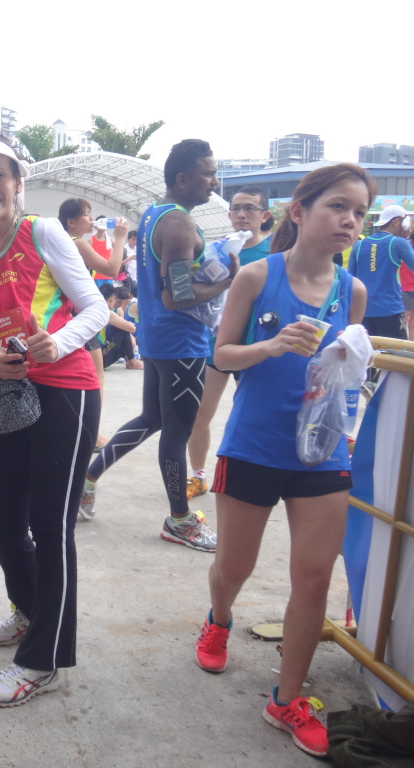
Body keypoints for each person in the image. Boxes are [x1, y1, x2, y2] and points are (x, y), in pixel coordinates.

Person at [195, 163, 372, 758]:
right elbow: (222, 355)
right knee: (234, 566)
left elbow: (348, 366)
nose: (350, 220)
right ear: (299, 211)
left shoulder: (353, 291)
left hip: (322, 452)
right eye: (338, 206)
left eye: (358, 212)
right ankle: (219, 618)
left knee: (315, 576)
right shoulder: (256, 276)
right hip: (254, 446)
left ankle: (286, 698)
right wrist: (271, 345)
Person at [0, 134, 108, 707]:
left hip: (65, 390)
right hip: (7, 396)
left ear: (17, 182)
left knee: (50, 525)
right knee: (1, 520)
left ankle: (43, 660)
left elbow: (96, 308)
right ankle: (33, 611)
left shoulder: (43, 232)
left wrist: (55, 343)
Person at [79, 139, 235, 552]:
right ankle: (179, 520)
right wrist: (226, 281)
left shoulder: (154, 212)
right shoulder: (179, 224)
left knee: (152, 418)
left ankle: (87, 480)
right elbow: (177, 296)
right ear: (183, 178)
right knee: (176, 432)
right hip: (181, 342)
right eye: (207, 173)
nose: (214, 182)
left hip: (157, 338)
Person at [186, 187, 273, 500]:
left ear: (264, 215)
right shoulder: (218, 249)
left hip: (256, 347)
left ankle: (257, 477)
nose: (241, 214)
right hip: (217, 345)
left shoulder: (275, 256)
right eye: (236, 208)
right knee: (200, 414)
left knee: (254, 417)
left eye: (250, 208)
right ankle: (198, 476)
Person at [58, 198, 131, 450]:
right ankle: (93, 434)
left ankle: (79, 430)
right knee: (95, 377)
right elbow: (111, 269)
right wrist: (119, 237)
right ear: (71, 221)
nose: (91, 219)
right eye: (86, 215)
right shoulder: (77, 243)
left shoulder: (61, 242)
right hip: (81, 317)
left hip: (65, 316)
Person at [347, 204, 413, 350]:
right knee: (397, 357)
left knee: (368, 357)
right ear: (396, 222)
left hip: (363, 312)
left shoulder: (359, 245)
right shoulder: (398, 243)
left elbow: (350, 279)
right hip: (390, 311)